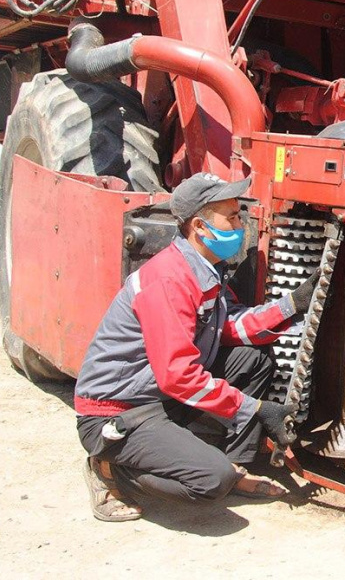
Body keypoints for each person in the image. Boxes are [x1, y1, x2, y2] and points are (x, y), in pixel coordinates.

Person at [74, 173, 315, 522]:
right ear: (200, 227)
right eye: (231, 217)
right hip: (117, 412)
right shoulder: (170, 279)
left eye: (239, 215)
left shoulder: (203, 268)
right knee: (210, 482)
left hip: (156, 395)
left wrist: (292, 304)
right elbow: (178, 375)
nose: (240, 223)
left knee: (252, 359)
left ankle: (235, 466)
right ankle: (110, 468)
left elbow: (227, 326)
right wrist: (256, 408)